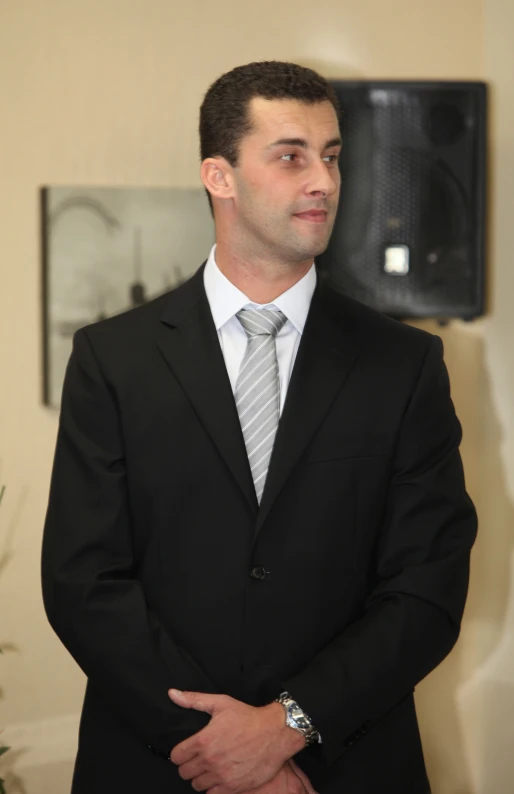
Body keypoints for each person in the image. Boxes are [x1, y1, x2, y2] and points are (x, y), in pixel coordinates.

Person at [41, 61, 478, 794]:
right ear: (220, 176)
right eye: (291, 155)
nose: (325, 182)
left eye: (332, 155)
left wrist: (287, 729)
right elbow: (84, 582)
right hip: (157, 767)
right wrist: (222, 752)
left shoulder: (405, 365)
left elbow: (428, 589)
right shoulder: (112, 359)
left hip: (345, 765)